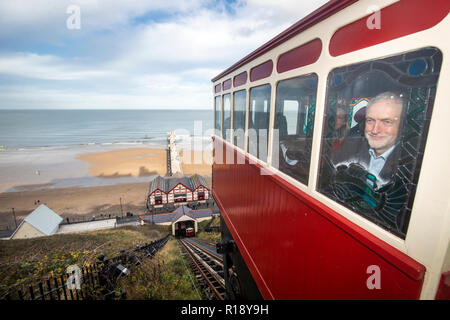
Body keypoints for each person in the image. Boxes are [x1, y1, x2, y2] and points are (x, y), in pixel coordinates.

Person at [330, 91, 404, 189]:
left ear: (402, 125)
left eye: (387, 122)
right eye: (370, 120)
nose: (375, 130)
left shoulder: (409, 162)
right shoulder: (352, 145)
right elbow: (331, 179)